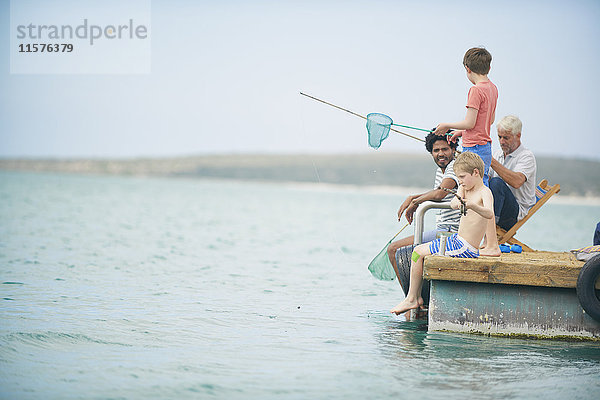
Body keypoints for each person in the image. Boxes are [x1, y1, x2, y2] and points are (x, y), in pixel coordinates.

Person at [391, 152, 494, 315]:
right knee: (416, 253)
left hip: (465, 248)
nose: (460, 181)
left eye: (462, 177)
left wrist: (473, 206)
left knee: (417, 253)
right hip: (456, 240)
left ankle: (412, 299)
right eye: (458, 178)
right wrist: (460, 193)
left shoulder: (484, 192)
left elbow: (489, 213)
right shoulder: (465, 188)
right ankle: (414, 296)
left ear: (475, 173)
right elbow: (454, 203)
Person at [432, 47, 500, 256]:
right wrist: (461, 133)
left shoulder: (475, 90)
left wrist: (447, 126)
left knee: (481, 196)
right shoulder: (493, 88)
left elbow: (471, 121)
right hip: (484, 146)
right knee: (483, 193)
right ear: (489, 67)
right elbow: (487, 121)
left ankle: (492, 245)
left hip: (475, 148)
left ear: (467, 69)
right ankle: (488, 243)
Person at [386, 133, 461, 283]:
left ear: (453, 149)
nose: (440, 154)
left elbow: (440, 193)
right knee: (399, 251)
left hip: (452, 233)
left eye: (445, 149)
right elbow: (437, 192)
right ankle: (415, 296)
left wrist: (415, 202)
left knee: (394, 250)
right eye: (436, 150)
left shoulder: (456, 166)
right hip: (442, 230)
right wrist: (413, 198)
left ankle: (412, 298)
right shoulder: (442, 170)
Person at [489, 115, 537, 231]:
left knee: (496, 183)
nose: (501, 141)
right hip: (497, 206)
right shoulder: (497, 154)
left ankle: (490, 228)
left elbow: (516, 182)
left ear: (518, 136)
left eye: (506, 138)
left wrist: (490, 160)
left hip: (515, 213)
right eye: (499, 137)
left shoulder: (526, 156)